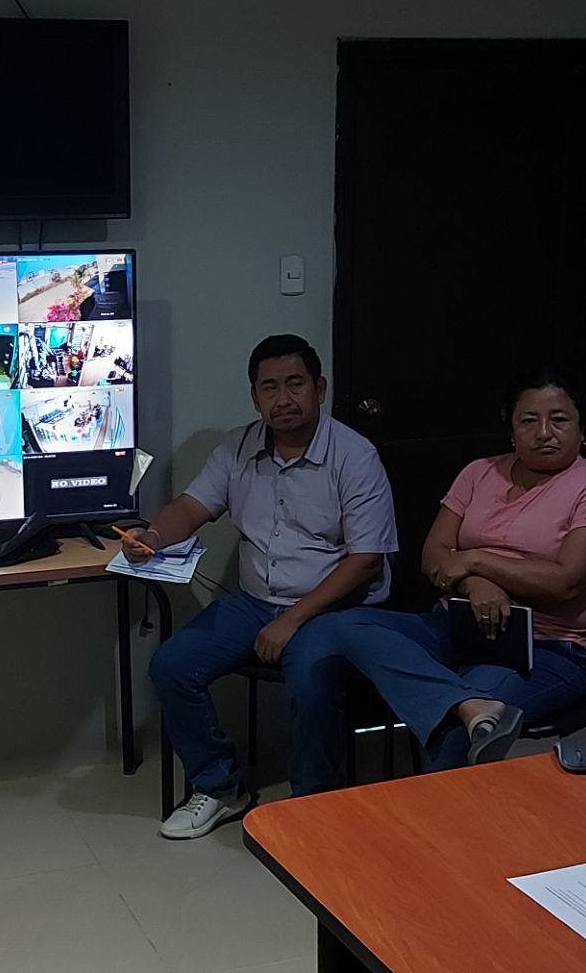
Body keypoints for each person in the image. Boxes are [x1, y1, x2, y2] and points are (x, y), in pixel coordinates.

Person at [131, 334, 399, 839]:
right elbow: (191, 508)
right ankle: (220, 786)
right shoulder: (238, 446)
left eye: (295, 384)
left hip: (334, 609)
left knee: (313, 680)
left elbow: (366, 562)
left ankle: (314, 803)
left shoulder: (355, 456)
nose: (283, 398)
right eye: (269, 387)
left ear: (320, 389)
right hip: (254, 603)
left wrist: (293, 620)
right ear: (255, 397)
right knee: (172, 665)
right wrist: (152, 537)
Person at [320, 369, 586, 770]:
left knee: (456, 731)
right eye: (529, 420)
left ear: (582, 430)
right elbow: (434, 556)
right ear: (511, 431)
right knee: (345, 625)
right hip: (457, 625)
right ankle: (469, 704)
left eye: (559, 419)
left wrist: (474, 560)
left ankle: (442, 803)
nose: (544, 433)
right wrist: (476, 585)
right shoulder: (479, 472)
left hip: (547, 647)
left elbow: (565, 582)